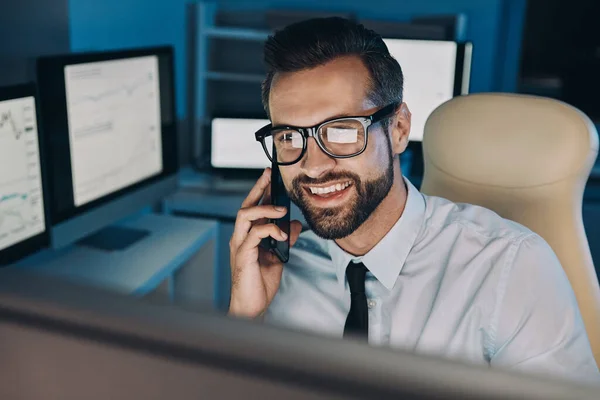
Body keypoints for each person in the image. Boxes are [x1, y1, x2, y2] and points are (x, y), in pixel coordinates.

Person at [227, 17, 600, 382]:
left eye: (342, 131)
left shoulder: (511, 267)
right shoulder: (277, 274)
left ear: (400, 129)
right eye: (289, 137)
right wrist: (244, 321)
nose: (314, 166)